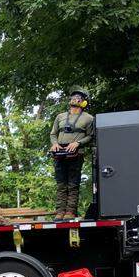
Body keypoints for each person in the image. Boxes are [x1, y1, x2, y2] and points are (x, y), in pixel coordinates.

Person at [49, 87, 96, 219]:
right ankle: (59, 212)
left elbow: (91, 136)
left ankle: (70, 212)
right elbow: (53, 134)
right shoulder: (60, 117)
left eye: (79, 97)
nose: (75, 99)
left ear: (83, 102)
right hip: (59, 153)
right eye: (73, 97)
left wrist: (78, 143)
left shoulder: (89, 118)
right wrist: (55, 144)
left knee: (73, 183)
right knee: (61, 184)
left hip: (76, 153)